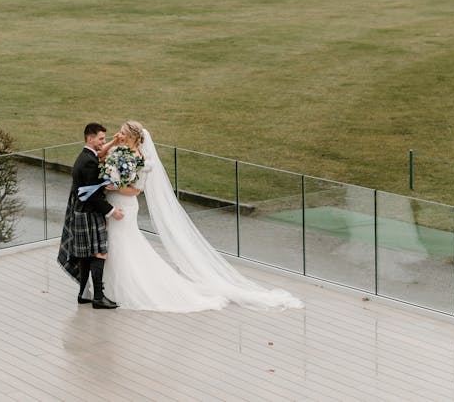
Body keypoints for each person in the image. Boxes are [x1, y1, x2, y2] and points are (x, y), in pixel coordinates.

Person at [97, 120, 303, 312]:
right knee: (114, 241)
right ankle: (105, 287)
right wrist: (114, 143)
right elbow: (100, 158)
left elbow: (137, 190)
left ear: (133, 137)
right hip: (111, 202)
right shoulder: (118, 149)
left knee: (121, 241)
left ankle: (121, 287)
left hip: (125, 205)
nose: (120, 135)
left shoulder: (141, 160)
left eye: (123, 133)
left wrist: (116, 186)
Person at [57, 122, 124, 309]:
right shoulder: (89, 162)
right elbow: (92, 195)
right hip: (89, 213)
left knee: (86, 255)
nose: (103, 141)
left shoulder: (86, 156)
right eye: (101, 138)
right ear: (90, 138)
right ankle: (98, 298)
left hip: (82, 212)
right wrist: (111, 211)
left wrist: (112, 142)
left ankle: (84, 294)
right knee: (99, 252)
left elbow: (100, 156)